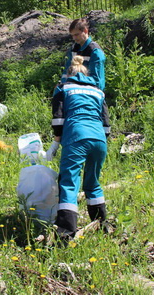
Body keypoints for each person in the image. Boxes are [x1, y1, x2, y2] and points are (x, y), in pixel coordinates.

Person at [46, 56, 110, 242]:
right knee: (92, 182)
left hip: (76, 137)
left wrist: (55, 145)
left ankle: (66, 233)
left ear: (68, 74)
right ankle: (102, 224)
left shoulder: (64, 88)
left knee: (69, 182)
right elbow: (106, 123)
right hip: (99, 139)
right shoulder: (98, 91)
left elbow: (58, 121)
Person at [61, 18, 106, 91]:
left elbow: (97, 81)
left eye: (76, 34)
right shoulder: (73, 49)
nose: (74, 38)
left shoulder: (95, 52)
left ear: (85, 31)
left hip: (91, 93)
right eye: (72, 35)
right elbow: (66, 72)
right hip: (72, 91)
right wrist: (62, 86)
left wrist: (76, 82)